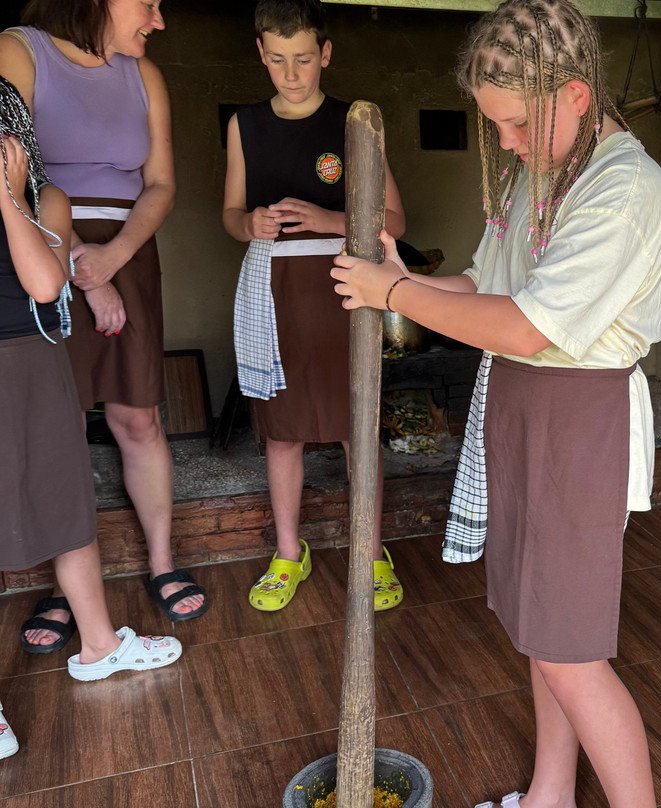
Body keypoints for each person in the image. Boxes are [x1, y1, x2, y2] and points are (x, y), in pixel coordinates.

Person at [331, 2, 661, 805]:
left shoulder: (624, 187)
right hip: (521, 404)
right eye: (496, 125)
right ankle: (550, 794)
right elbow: (486, 285)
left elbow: (525, 325)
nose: (508, 142)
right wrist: (404, 279)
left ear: (577, 94)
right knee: (539, 631)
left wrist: (393, 293)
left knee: (571, 654)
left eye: (517, 123)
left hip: (579, 420)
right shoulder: (542, 173)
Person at [0, 0, 206, 642]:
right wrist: (82, 274)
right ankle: (66, 588)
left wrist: (112, 260)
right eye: (149, 3)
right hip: (39, 244)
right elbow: (17, 174)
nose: (159, 19)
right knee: (55, 428)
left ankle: (162, 562)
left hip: (126, 247)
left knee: (138, 415)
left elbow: (161, 184)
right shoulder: (19, 49)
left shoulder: (143, 74)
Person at [223, 0, 407, 612]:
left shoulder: (356, 123)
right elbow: (230, 215)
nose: (291, 73)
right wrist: (248, 223)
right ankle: (287, 553)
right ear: (260, 54)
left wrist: (331, 218)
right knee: (283, 433)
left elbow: (396, 220)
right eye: (277, 60)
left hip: (346, 289)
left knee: (358, 429)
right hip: (273, 292)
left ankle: (370, 553)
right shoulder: (245, 125)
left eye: (303, 59)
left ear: (325, 53)